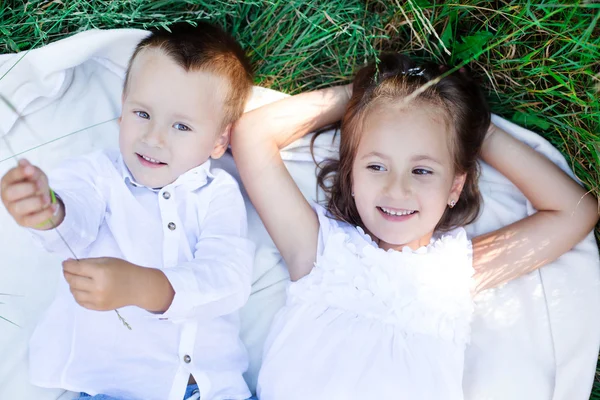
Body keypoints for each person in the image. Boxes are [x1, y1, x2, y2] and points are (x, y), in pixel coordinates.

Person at [231, 53, 599, 399]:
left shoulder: (453, 274)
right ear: (352, 176)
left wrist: (476, 129)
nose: (397, 189)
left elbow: (575, 211)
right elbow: (251, 133)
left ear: (455, 186)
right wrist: (360, 97)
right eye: (376, 166)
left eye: (422, 170)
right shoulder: (319, 252)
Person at [0, 22, 256, 400]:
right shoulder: (97, 175)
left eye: (181, 126)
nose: (154, 138)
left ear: (219, 141)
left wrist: (143, 286)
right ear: (122, 110)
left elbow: (227, 280)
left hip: (215, 389)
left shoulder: (217, 194)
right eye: (142, 114)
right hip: (114, 389)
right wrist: (45, 209)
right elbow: (73, 224)